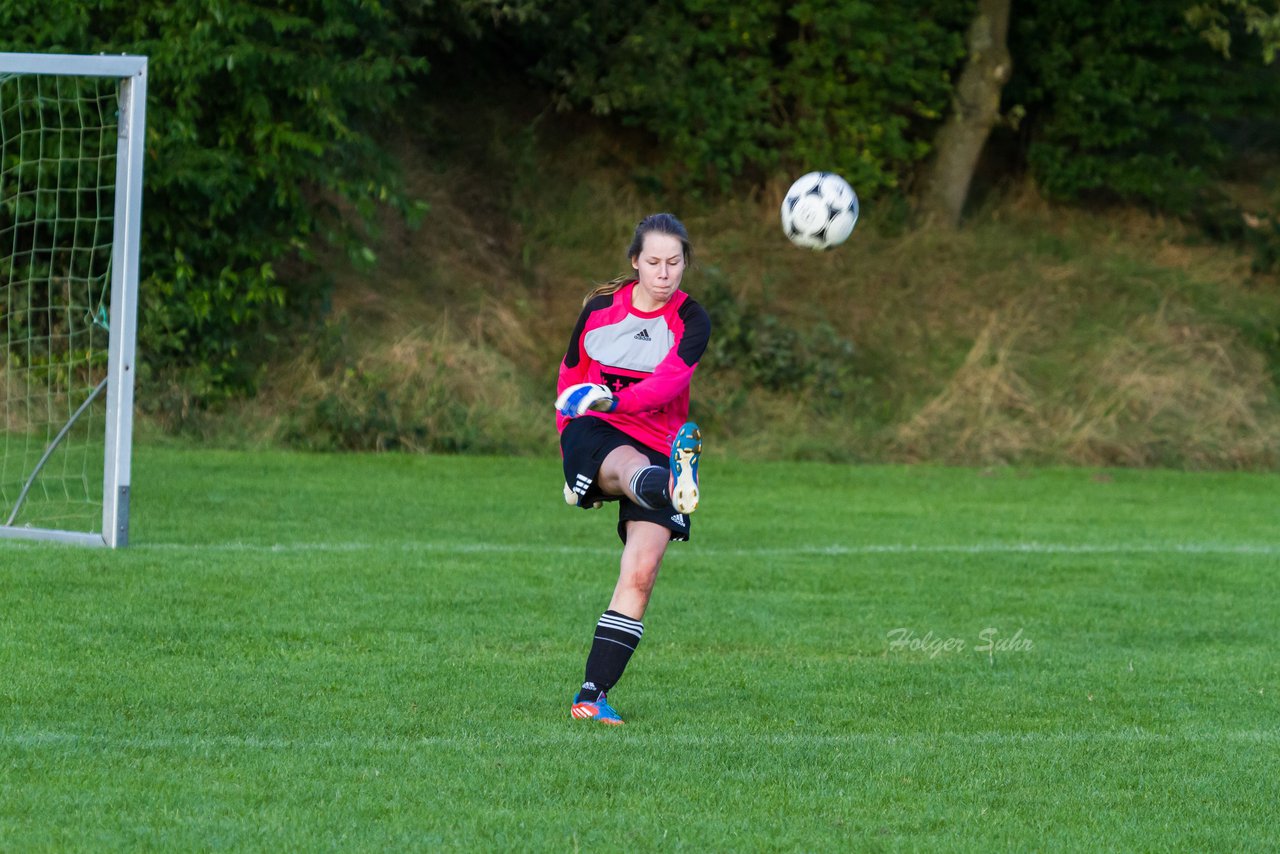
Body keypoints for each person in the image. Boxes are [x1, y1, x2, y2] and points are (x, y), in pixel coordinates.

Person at [554, 212, 711, 726]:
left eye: (675, 262)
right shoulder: (601, 308)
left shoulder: (692, 320)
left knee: (641, 574)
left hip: (659, 436)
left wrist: (612, 401)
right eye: (654, 262)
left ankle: (592, 695)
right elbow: (569, 375)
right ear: (635, 262)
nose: (665, 273)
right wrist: (569, 435)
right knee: (628, 464)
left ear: (685, 263)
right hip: (594, 432)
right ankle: (663, 483)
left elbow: (667, 386)